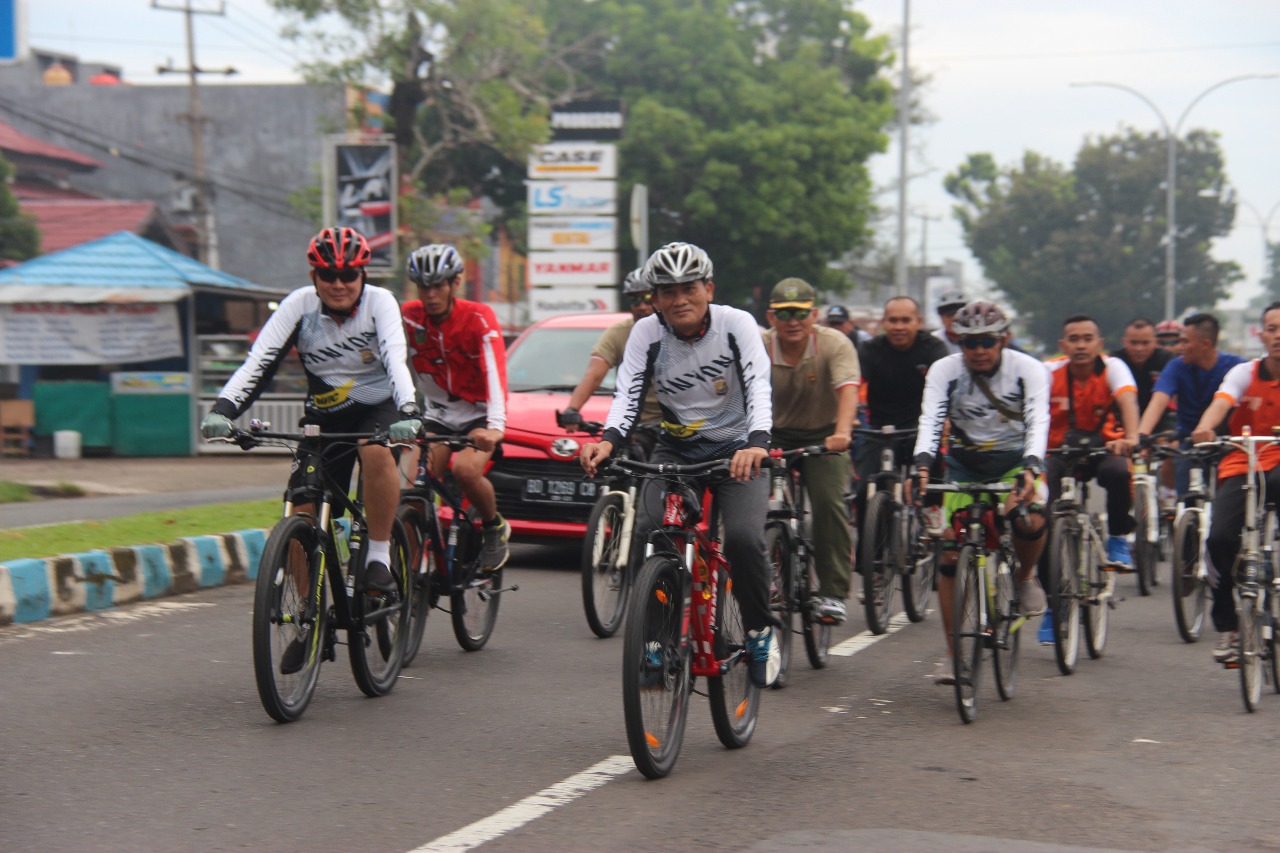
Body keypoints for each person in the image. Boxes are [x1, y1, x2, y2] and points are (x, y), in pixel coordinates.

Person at [200, 226, 421, 670]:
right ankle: (310, 615)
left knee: (374, 450)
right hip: (324, 416)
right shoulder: (298, 306)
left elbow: (397, 358)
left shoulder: (381, 303)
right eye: (328, 275)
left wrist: (409, 410)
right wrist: (223, 408)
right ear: (314, 276)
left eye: (347, 274)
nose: (338, 283)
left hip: (381, 409)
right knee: (302, 507)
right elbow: (258, 362)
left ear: (362, 274)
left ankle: (378, 556)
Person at [578, 241, 780, 688]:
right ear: (654, 300)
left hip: (738, 451)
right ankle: (655, 641)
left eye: (689, 288)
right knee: (653, 532)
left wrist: (758, 442)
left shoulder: (735, 324)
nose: (679, 299)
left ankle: (760, 630)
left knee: (744, 540)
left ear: (709, 288)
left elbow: (759, 386)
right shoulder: (647, 334)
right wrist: (608, 441)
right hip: (677, 451)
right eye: (667, 292)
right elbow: (627, 397)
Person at [912, 300, 1050, 684]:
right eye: (969, 342)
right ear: (958, 341)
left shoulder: (1028, 369)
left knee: (1029, 517)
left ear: (1003, 339)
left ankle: (1024, 577)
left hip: (1016, 462)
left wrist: (1031, 467)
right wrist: (922, 464)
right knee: (951, 557)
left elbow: (1039, 420)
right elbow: (930, 418)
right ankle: (955, 655)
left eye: (987, 341)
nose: (978, 350)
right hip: (963, 465)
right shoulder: (946, 370)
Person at [402, 243, 511, 572]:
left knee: (465, 470)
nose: (430, 295)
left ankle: (494, 527)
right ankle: (407, 568)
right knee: (412, 485)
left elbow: (495, 370)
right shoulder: (409, 315)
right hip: (438, 416)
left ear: (455, 283)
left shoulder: (478, 316)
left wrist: (496, 427)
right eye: (424, 287)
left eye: (438, 286)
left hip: (479, 415)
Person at [763, 277, 860, 624]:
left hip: (824, 436)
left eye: (800, 313)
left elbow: (848, 390)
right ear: (771, 315)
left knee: (829, 503)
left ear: (814, 314)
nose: (793, 321)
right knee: (752, 501)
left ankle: (833, 592)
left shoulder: (834, 343)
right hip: (772, 435)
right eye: (785, 313)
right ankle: (765, 574)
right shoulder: (758, 345)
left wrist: (842, 432)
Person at [1190, 301, 1280, 664]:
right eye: (1272, 328)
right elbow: (1222, 401)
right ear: (1261, 334)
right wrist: (1206, 427)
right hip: (1243, 463)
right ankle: (1228, 625)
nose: (1278, 335)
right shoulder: (1245, 373)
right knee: (1218, 539)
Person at [1043, 315, 1140, 564]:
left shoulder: (1113, 367)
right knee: (1040, 510)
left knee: (1119, 471)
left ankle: (1118, 537)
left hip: (1104, 447)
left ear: (1099, 343)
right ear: (1063, 345)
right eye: (1073, 340)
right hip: (1058, 451)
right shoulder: (1049, 372)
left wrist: (1131, 438)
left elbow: (1127, 400)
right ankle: (1048, 589)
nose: (1081, 346)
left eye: (1088, 339)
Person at [855, 296, 950, 532]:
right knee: (862, 490)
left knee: (933, 474)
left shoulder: (934, 349)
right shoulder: (869, 349)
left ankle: (932, 515)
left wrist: (946, 419)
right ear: (883, 322)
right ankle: (870, 557)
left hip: (920, 427)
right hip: (879, 429)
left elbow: (949, 389)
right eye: (893, 320)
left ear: (918, 321)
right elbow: (853, 385)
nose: (899, 327)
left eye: (906, 320)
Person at [1137, 313, 1245, 496]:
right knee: (1186, 496)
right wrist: (1141, 436)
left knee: (1230, 499)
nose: (1178, 348)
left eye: (1184, 342)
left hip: (1228, 444)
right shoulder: (1176, 366)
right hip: (1189, 443)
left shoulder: (1237, 367)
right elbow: (1159, 400)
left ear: (1205, 344)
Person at [557, 268, 661, 453]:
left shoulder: (676, 331)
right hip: (634, 424)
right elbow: (594, 375)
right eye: (635, 300)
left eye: (647, 299)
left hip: (673, 425)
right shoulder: (618, 333)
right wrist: (572, 409)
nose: (642, 307)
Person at [1112, 317, 1177, 504]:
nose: (1139, 348)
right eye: (1133, 343)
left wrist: (1162, 433)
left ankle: (1168, 492)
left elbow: (1171, 402)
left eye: (1145, 343)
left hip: (1161, 420)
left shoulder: (1167, 361)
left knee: (1173, 449)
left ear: (1155, 342)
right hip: (1123, 421)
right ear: (1124, 342)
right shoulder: (1115, 361)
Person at [931, 289, 969, 355]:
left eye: (959, 314)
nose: (954, 318)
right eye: (949, 314)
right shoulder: (933, 341)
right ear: (941, 318)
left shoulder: (978, 337)